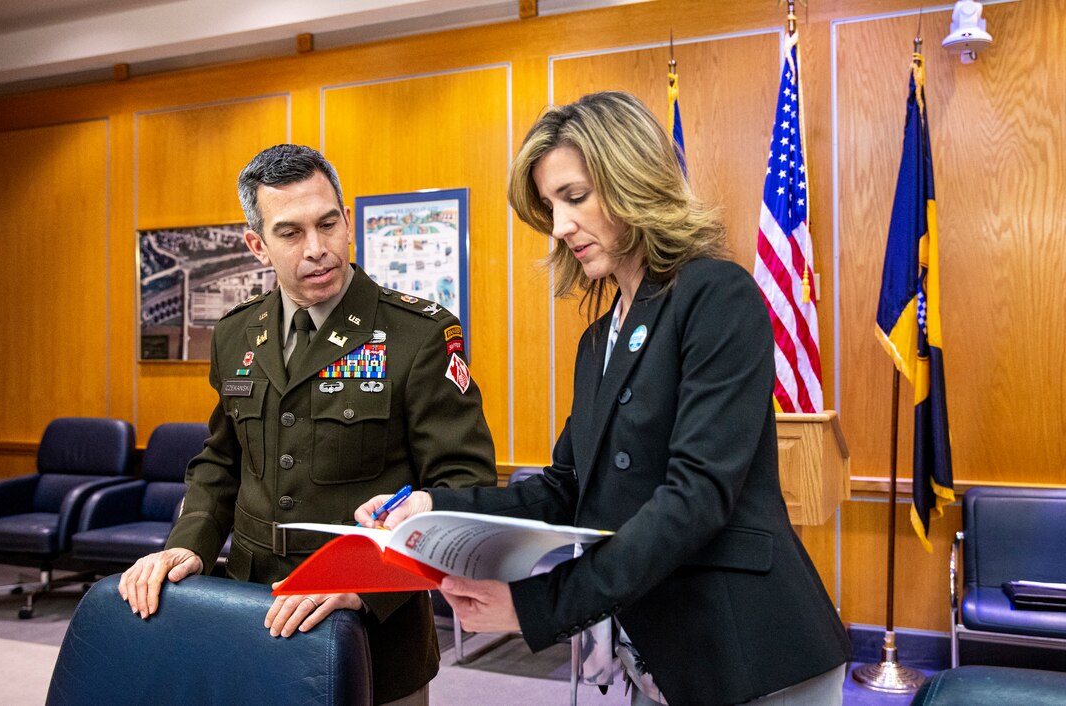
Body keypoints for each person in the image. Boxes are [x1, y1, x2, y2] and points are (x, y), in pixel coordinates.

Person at [356, 92, 850, 706]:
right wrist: (433, 505)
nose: (560, 227)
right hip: (656, 653)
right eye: (549, 206)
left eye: (575, 196)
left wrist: (536, 605)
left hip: (750, 651)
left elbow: (695, 498)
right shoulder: (598, 340)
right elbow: (565, 487)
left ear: (633, 180)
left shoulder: (716, 295)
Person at [120, 144, 498, 706]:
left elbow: (465, 486)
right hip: (253, 608)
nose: (317, 249)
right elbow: (222, 461)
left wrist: (364, 581)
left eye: (327, 224)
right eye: (291, 233)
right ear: (257, 245)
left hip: (375, 628)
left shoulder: (418, 333)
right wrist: (189, 543)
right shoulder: (235, 334)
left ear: (348, 222)